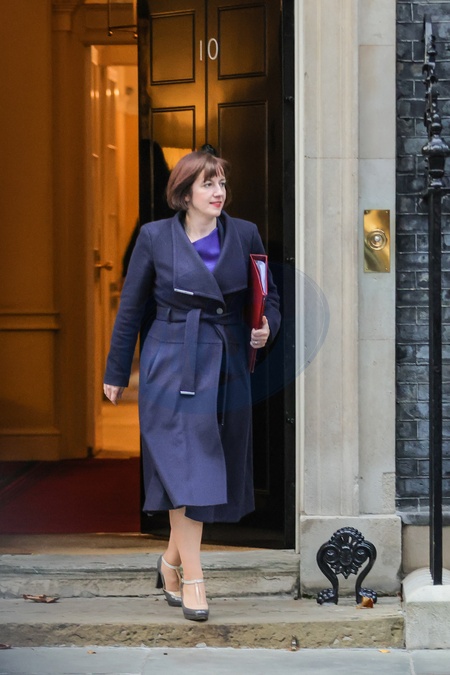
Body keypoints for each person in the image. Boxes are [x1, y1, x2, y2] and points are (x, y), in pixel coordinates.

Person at [103, 150, 281, 622]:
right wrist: (116, 372)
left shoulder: (245, 234)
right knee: (187, 468)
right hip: (170, 365)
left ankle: (169, 562)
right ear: (184, 194)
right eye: (208, 184)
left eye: (221, 183)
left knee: (197, 471)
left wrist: (266, 327)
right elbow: (131, 310)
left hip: (224, 366)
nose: (219, 192)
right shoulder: (154, 237)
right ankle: (195, 580)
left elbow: (269, 298)